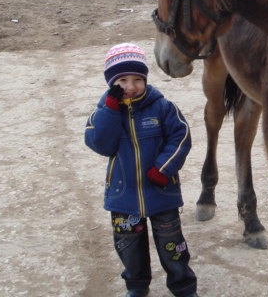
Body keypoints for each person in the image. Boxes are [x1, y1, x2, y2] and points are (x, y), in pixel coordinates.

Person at [85, 43, 198, 297]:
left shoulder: (162, 107)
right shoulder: (104, 111)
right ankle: (136, 286)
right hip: (123, 196)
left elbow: (181, 137)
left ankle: (183, 286)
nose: (131, 86)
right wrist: (111, 110)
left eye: (138, 79)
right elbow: (100, 144)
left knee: (173, 246)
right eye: (122, 80)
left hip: (161, 191)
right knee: (129, 246)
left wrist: (163, 169)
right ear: (112, 82)